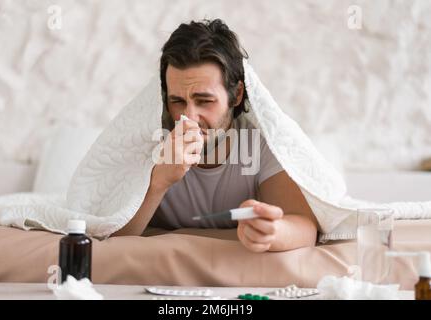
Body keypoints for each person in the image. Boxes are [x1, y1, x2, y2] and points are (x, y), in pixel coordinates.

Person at [113, 19, 318, 252]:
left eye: (204, 101)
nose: (188, 117)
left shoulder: (261, 145)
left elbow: (303, 226)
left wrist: (272, 232)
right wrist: (160, 181)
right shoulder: (148, 141)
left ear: (237, 94)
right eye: (177, 101)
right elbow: (112, 236)